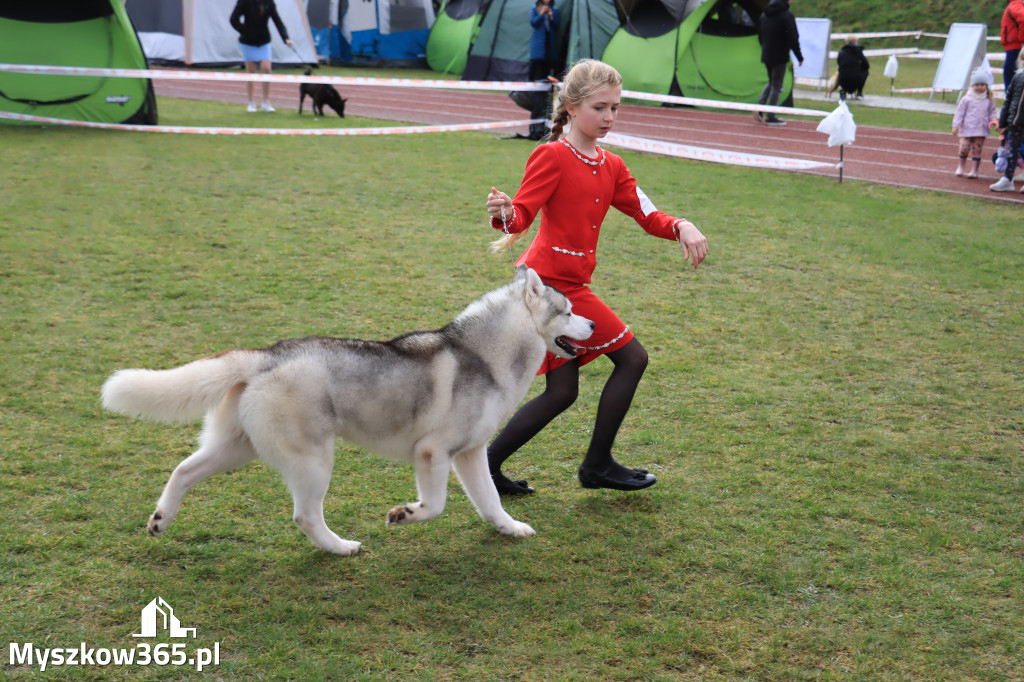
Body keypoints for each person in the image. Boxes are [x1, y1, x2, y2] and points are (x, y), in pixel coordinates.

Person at [484, 59, 708, 494]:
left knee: (563, 391)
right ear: (570, 107)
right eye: (600, 107)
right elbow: (522, 214)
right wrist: (506, 213)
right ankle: (597, 464)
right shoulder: (551, 155)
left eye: (616, 108)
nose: (609, 118)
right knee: (633, 357)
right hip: (546, 287)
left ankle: (489, 468)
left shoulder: (613, 165)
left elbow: (647, 214)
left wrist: (680, 224)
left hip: (567, 285)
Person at [230, 0, 293, 112]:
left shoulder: (269, 3)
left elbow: (278, 21)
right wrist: (245, 31)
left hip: (264, 41)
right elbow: (233, 19)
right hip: (248, 42)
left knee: (266, 69)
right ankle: (251, 103)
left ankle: (266, 102)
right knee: (251, 71)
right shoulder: (244, 2)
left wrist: (285, 37)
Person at [755, 0, 803, 126]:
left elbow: (760, 34)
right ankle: (771, 116)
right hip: (780, 54)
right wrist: (799, 56)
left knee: (771, 82)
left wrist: (765, 47)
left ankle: (759, 108)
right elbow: (793, 37)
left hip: (766, 53)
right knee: (777, 85)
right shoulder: (787, 15)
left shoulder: (764, 14)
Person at [953, 68, 998, 179]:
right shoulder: (966, 99)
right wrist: (956, 125)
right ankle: (961, 167)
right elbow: (959, 113)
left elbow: (992, 111)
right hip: (967, 129)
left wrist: (994, 120)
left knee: (977, 150)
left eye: (983, 84)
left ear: (986, 86)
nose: (980, 87)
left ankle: (974, 170)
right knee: (964, 148)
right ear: (972, 85)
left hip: (981, 129)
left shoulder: (989, 99)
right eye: (977, 84)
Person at [992, 55, 1024, 192]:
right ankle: (1007, 179)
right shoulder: (1018, 77)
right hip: (1015, 122)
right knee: (1012, 151)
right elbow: (1008, 100)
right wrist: (1003, 122)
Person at [529, 0, 560, 81]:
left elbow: (557, 26)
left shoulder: (554, 9)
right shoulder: (535, 9)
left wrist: (551, 16)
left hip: (549, 42)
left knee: (548, 63)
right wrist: (541, 13)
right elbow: (533, 23)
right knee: (538, 64)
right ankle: (534, 86)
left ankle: (546, 87)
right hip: (539, 42)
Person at [836, 35, 870, 100]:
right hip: (856, 79)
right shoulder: (858, 52)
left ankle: (843, 90)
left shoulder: (841, 52)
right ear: (855, 42)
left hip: (842, 80)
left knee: (842, 71)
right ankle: (859, 92)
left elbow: (839, 64)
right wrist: (860, 67)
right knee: (866, 72)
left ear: (846, 42)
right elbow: (866, 65)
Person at [1001, 0, 1024, 90]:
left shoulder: (1015, 5)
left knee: (1011, 83)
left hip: (1015, 48)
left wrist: (1022, 39)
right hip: (1016, 48)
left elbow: (1023, 18)